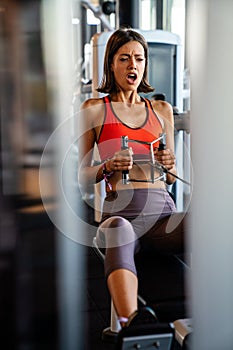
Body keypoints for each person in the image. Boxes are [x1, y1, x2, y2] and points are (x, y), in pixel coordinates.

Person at [78, 28, 185, 328]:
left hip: (163, 219)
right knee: (118, 232)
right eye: (124, 58)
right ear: (111, 64)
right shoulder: (95, 110)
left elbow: (173, 178)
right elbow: (83, 179)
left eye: (139, 58)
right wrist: (108, 165)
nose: (133, 65)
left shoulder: (161, 110)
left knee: (209, 222)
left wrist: (169, 164)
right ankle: (131, 327)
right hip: (120, 214)